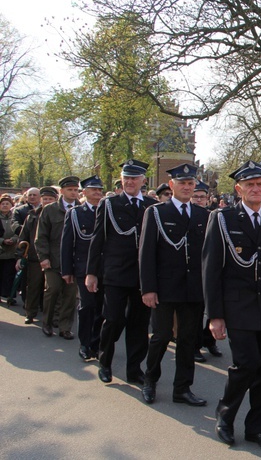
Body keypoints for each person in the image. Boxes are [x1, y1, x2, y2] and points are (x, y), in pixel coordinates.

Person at [203, 160, 261, 449]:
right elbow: (211, 270)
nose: (256, 189)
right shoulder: (222, 219)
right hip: (237, 307)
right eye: (250, 185)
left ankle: (257, 427)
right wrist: (215, 315)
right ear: (239, 188)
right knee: (247, 364)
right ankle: (225, 416)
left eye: (260, 185)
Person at [139, 163, 209, 407]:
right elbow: (146, 253)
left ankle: (182, 388)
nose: (187, 188)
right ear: (172, 186)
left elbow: (207, 256)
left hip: (193, 289)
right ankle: (150, 380)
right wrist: (148, 288)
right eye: (182, 183)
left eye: (191, 184)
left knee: (188, 340)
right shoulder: (157, 212)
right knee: (160, 336)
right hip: (165, 287)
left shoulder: (203, 214)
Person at [86, 159, 157, 385]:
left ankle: (134, 369)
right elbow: (97, 240)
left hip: (142, 277)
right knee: (113, 320)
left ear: (143, 181)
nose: (129, 182)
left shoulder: (151, 205)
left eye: (134, 178)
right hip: (116, 273)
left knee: (138, 326)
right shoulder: (109, 204)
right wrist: (91, 272)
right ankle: (105, 362)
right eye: (126, 177)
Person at [61, 176, 104, 360]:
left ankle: (96, 343)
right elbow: (67, 242)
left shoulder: (107, 211)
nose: (97, 192)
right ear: (84, 192)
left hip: (104, 268)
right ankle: (85, 344)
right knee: (87, 306)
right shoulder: (75, 213)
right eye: (93, 189)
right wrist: (67, 270)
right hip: (83, 267)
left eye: (99, 189)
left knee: (101, 309)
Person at [35, 177, 81, 339]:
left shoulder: (81, 209)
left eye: (76, 190)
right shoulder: (50, 210)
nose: (74, 193)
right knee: (52, 290)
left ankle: (65, 327)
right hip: (53, 260)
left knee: (70, 296)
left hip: (74, 261)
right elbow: (41, 237)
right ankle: (47, 323)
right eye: (70, 190)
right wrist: (44, 257)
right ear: (62, 191)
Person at [192, 179, 222, 362]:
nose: (198, 200)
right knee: (196, 312)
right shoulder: (188, 215)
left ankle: (209, 340)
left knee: (214, 309)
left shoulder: (214, 216)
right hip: (194, 270)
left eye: (202, 197)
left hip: (211, 270)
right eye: (195, 196)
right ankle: (195, 347)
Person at [17, 187, 58, 323]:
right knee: (33, 286)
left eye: (50, 199)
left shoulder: (60, 214)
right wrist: (20, 256)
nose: (47, 201)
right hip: (35, 257)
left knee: (52, 290)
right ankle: (30, 312)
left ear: (55, 200)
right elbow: (23, 237)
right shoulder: (32, 216)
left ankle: (52, 317)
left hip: (54, 258)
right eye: (45, 199)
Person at [0, 194, 19, 306]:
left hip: (12, 251)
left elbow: (20, 231)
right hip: (1, 249)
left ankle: (10, 296)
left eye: (7, 203)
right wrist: (2, 241)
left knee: (9, 275)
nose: (5, 205)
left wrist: (13, 239)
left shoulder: (15, 217)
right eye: (2, 204)